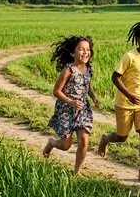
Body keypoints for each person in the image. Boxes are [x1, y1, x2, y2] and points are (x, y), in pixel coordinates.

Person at [97, 21, 140, 184]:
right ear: (139, 38)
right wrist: (129, 94)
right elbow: (115, 77)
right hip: (125, 103)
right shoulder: (130, 57)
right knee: (122, 137)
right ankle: (105, 139)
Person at [43, 35, 100, 173]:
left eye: (88, 49)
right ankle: (51, 143)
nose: (85, 52)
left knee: (83, 140)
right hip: (66, 108)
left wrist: (93, 97)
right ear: (72, 53)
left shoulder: (89, 69)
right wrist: (71, 102)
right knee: (65, 145)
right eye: (81, 49)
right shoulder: (68, 69)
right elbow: (56, 91)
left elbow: (88, 86)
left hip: (82, 109)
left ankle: (77, 172)